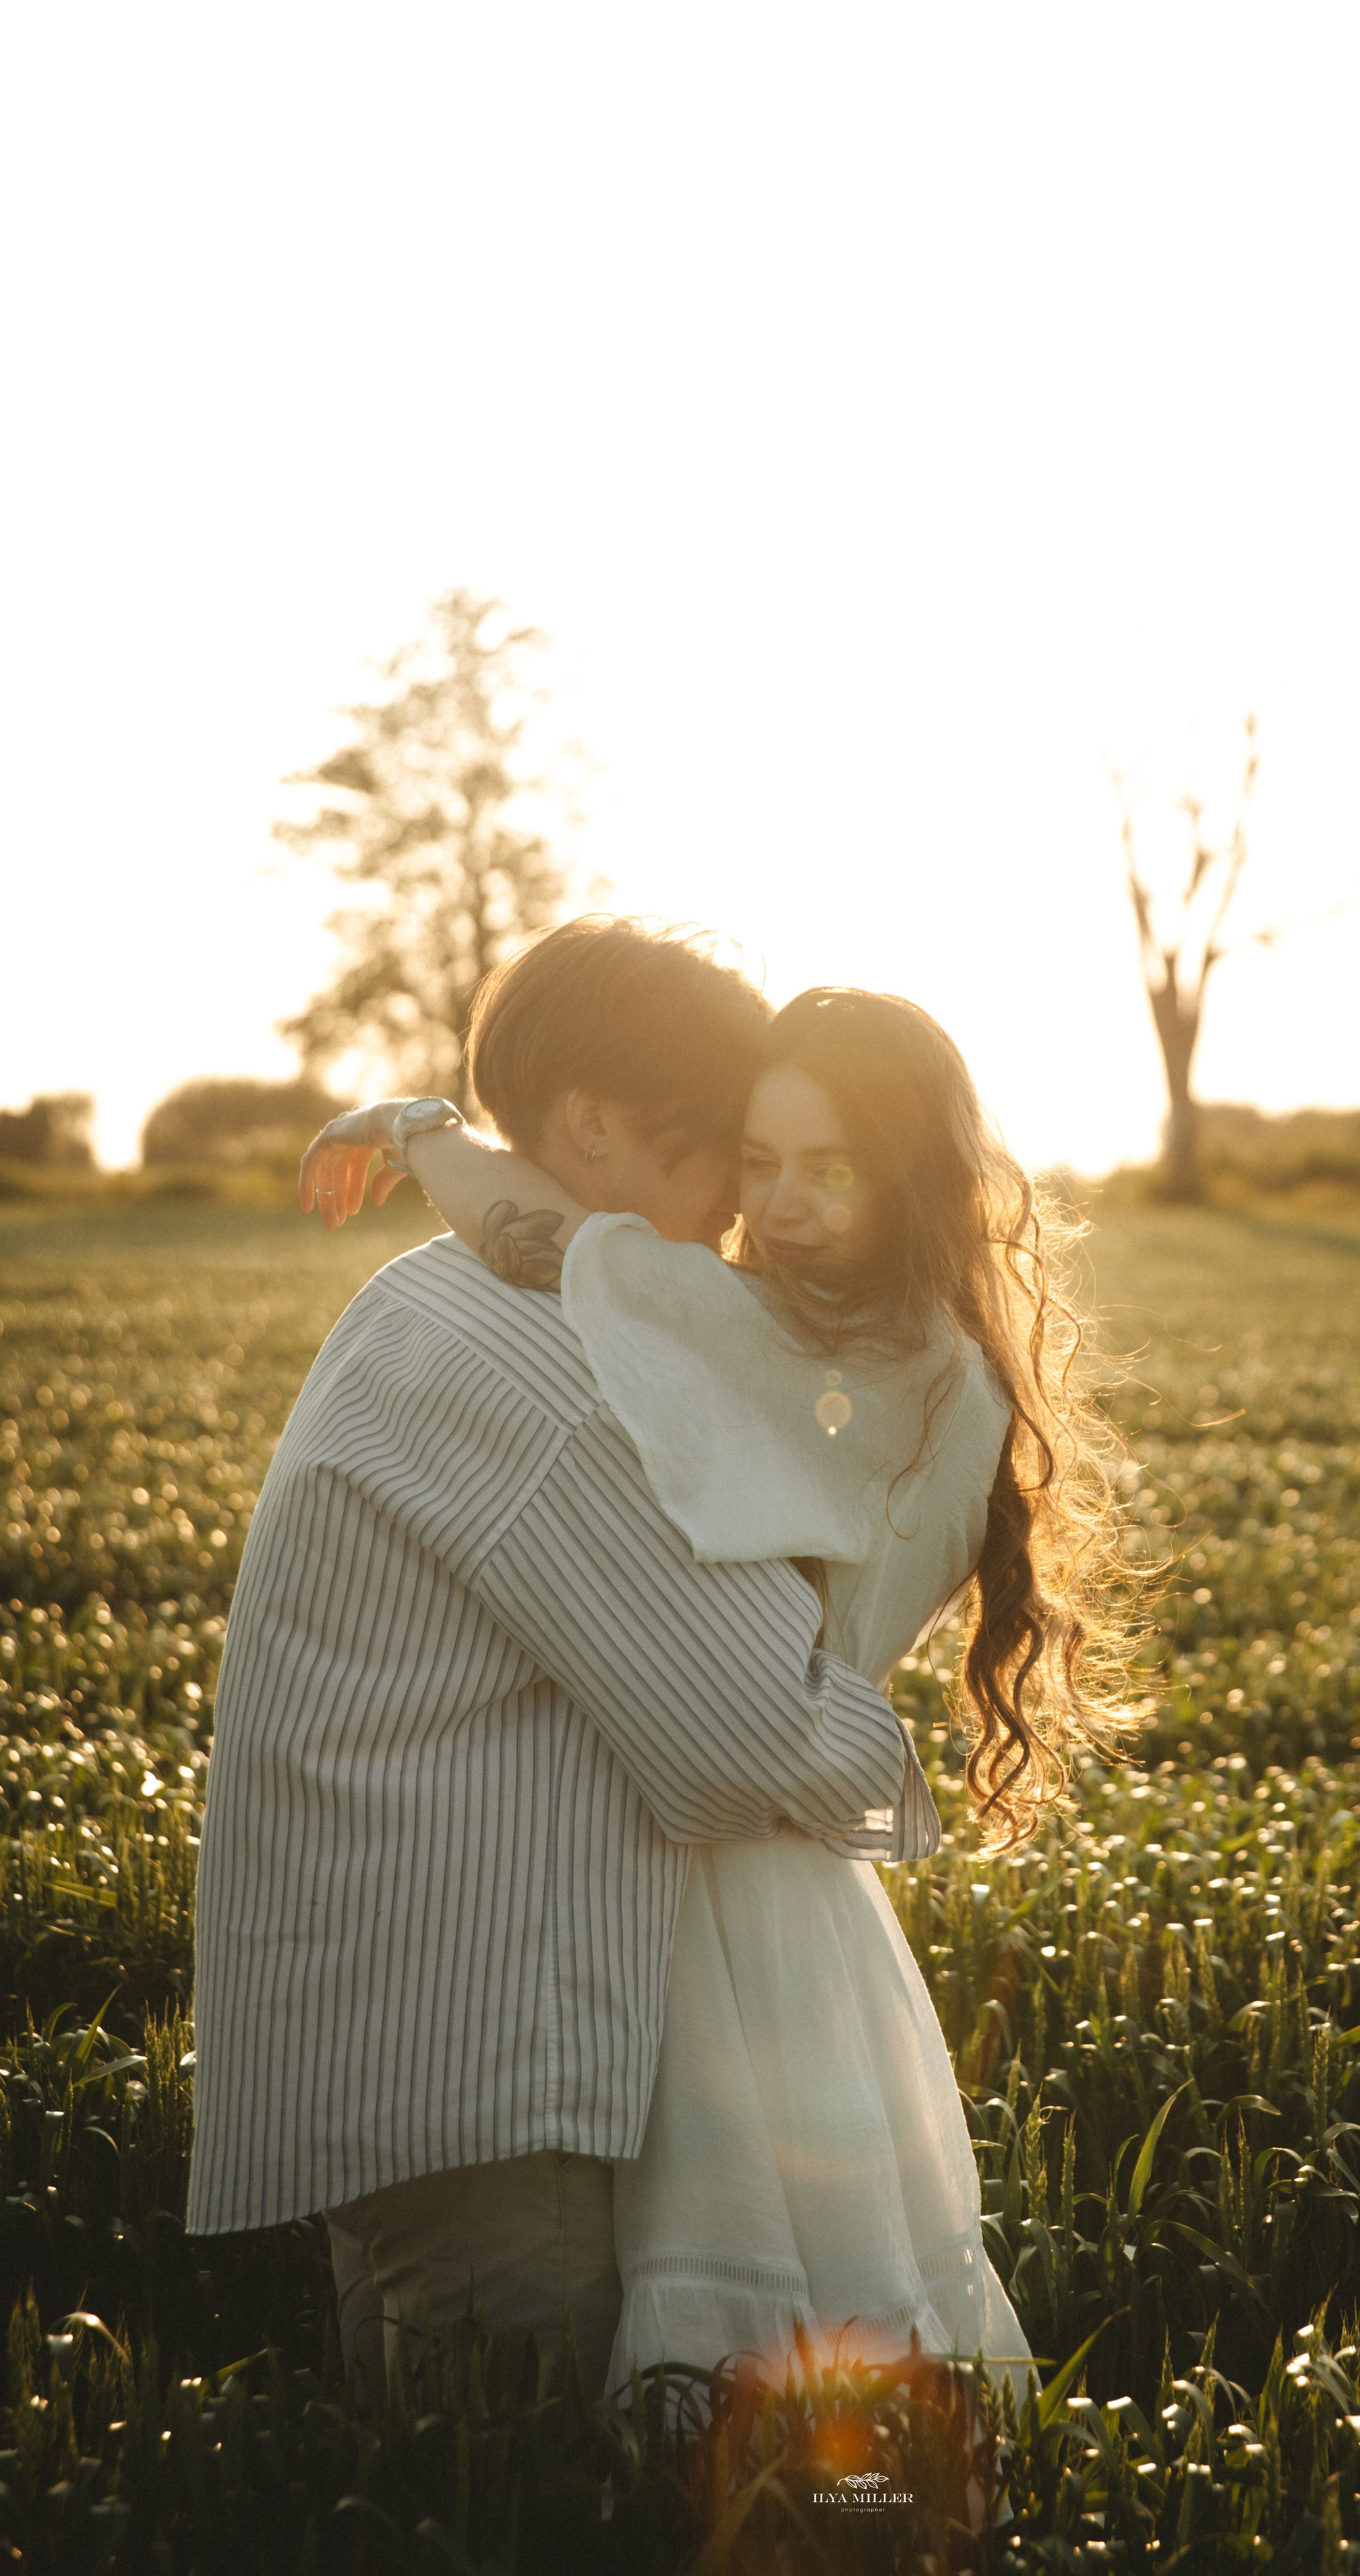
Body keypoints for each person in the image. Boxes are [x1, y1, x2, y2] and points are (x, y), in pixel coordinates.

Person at [299, 960, 1143, 2409]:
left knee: (772, 2235)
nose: (788, 1198)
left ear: (915, 1182)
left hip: (757, 1829)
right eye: (759, 1160)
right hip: (712, 1817)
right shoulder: (751, 1318)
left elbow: (564, 1251)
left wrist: (423, 1123)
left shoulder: (925, 1375)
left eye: (834, 1168)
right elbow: (557, 1240)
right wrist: (426, 1122)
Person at [184, 922, 943, 2409]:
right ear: (592, 1131)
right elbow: (749, 1739)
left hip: (415, 2054)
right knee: (518, 2515)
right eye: (720, 1153)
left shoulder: (436, 1298)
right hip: (485, 2078)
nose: (741, 1206)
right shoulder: (544, 1362)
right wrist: (887, 1741)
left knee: (443, 2491)